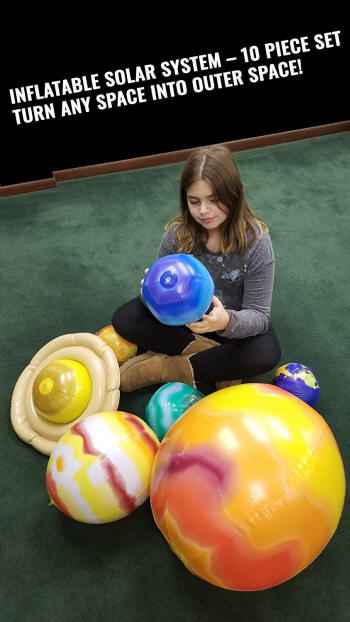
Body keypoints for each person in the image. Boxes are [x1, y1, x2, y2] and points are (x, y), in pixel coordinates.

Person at [111, 144, 281, 392]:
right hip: (182, 322)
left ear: (233, 195)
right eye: (194, 201)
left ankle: (166, 368)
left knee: (266, 352)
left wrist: (225, 322)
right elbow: (154, 300)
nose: (203, 211)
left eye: (214, 200)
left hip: (229, 322)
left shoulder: (257, 241)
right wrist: (152, 292)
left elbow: (258, 315)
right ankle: (213, 359)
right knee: (125, 318)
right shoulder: (177, 234)